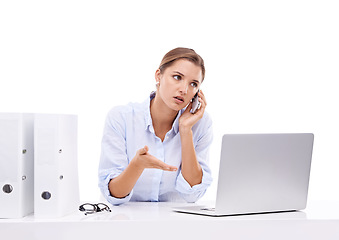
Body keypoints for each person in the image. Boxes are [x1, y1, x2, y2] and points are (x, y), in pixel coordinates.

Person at [98, 47, 213, 205]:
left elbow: (192, 194)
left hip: (175, 222)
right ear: (158, 76)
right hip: (126, 220)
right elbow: (114, 194)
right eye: (177, 77)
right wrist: (137, 165)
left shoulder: (200, 123)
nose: (184, 90)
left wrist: (185, 131)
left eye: (193, 84)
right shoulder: (121, 118)